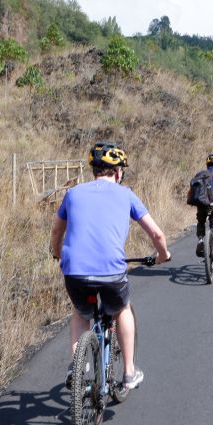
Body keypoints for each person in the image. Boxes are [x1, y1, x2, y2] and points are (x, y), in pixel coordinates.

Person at [50, 141, 170, 391]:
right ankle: (128, 373)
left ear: (94, 171)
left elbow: (56, 230)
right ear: (118, 172)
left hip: (75, 273)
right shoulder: (126, 194)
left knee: (80, 313)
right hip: (111, 273)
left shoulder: (73, 193)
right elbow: (157, 235)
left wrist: (58, 254)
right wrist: (162, 255)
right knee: (121, 309)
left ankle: (76, 366)